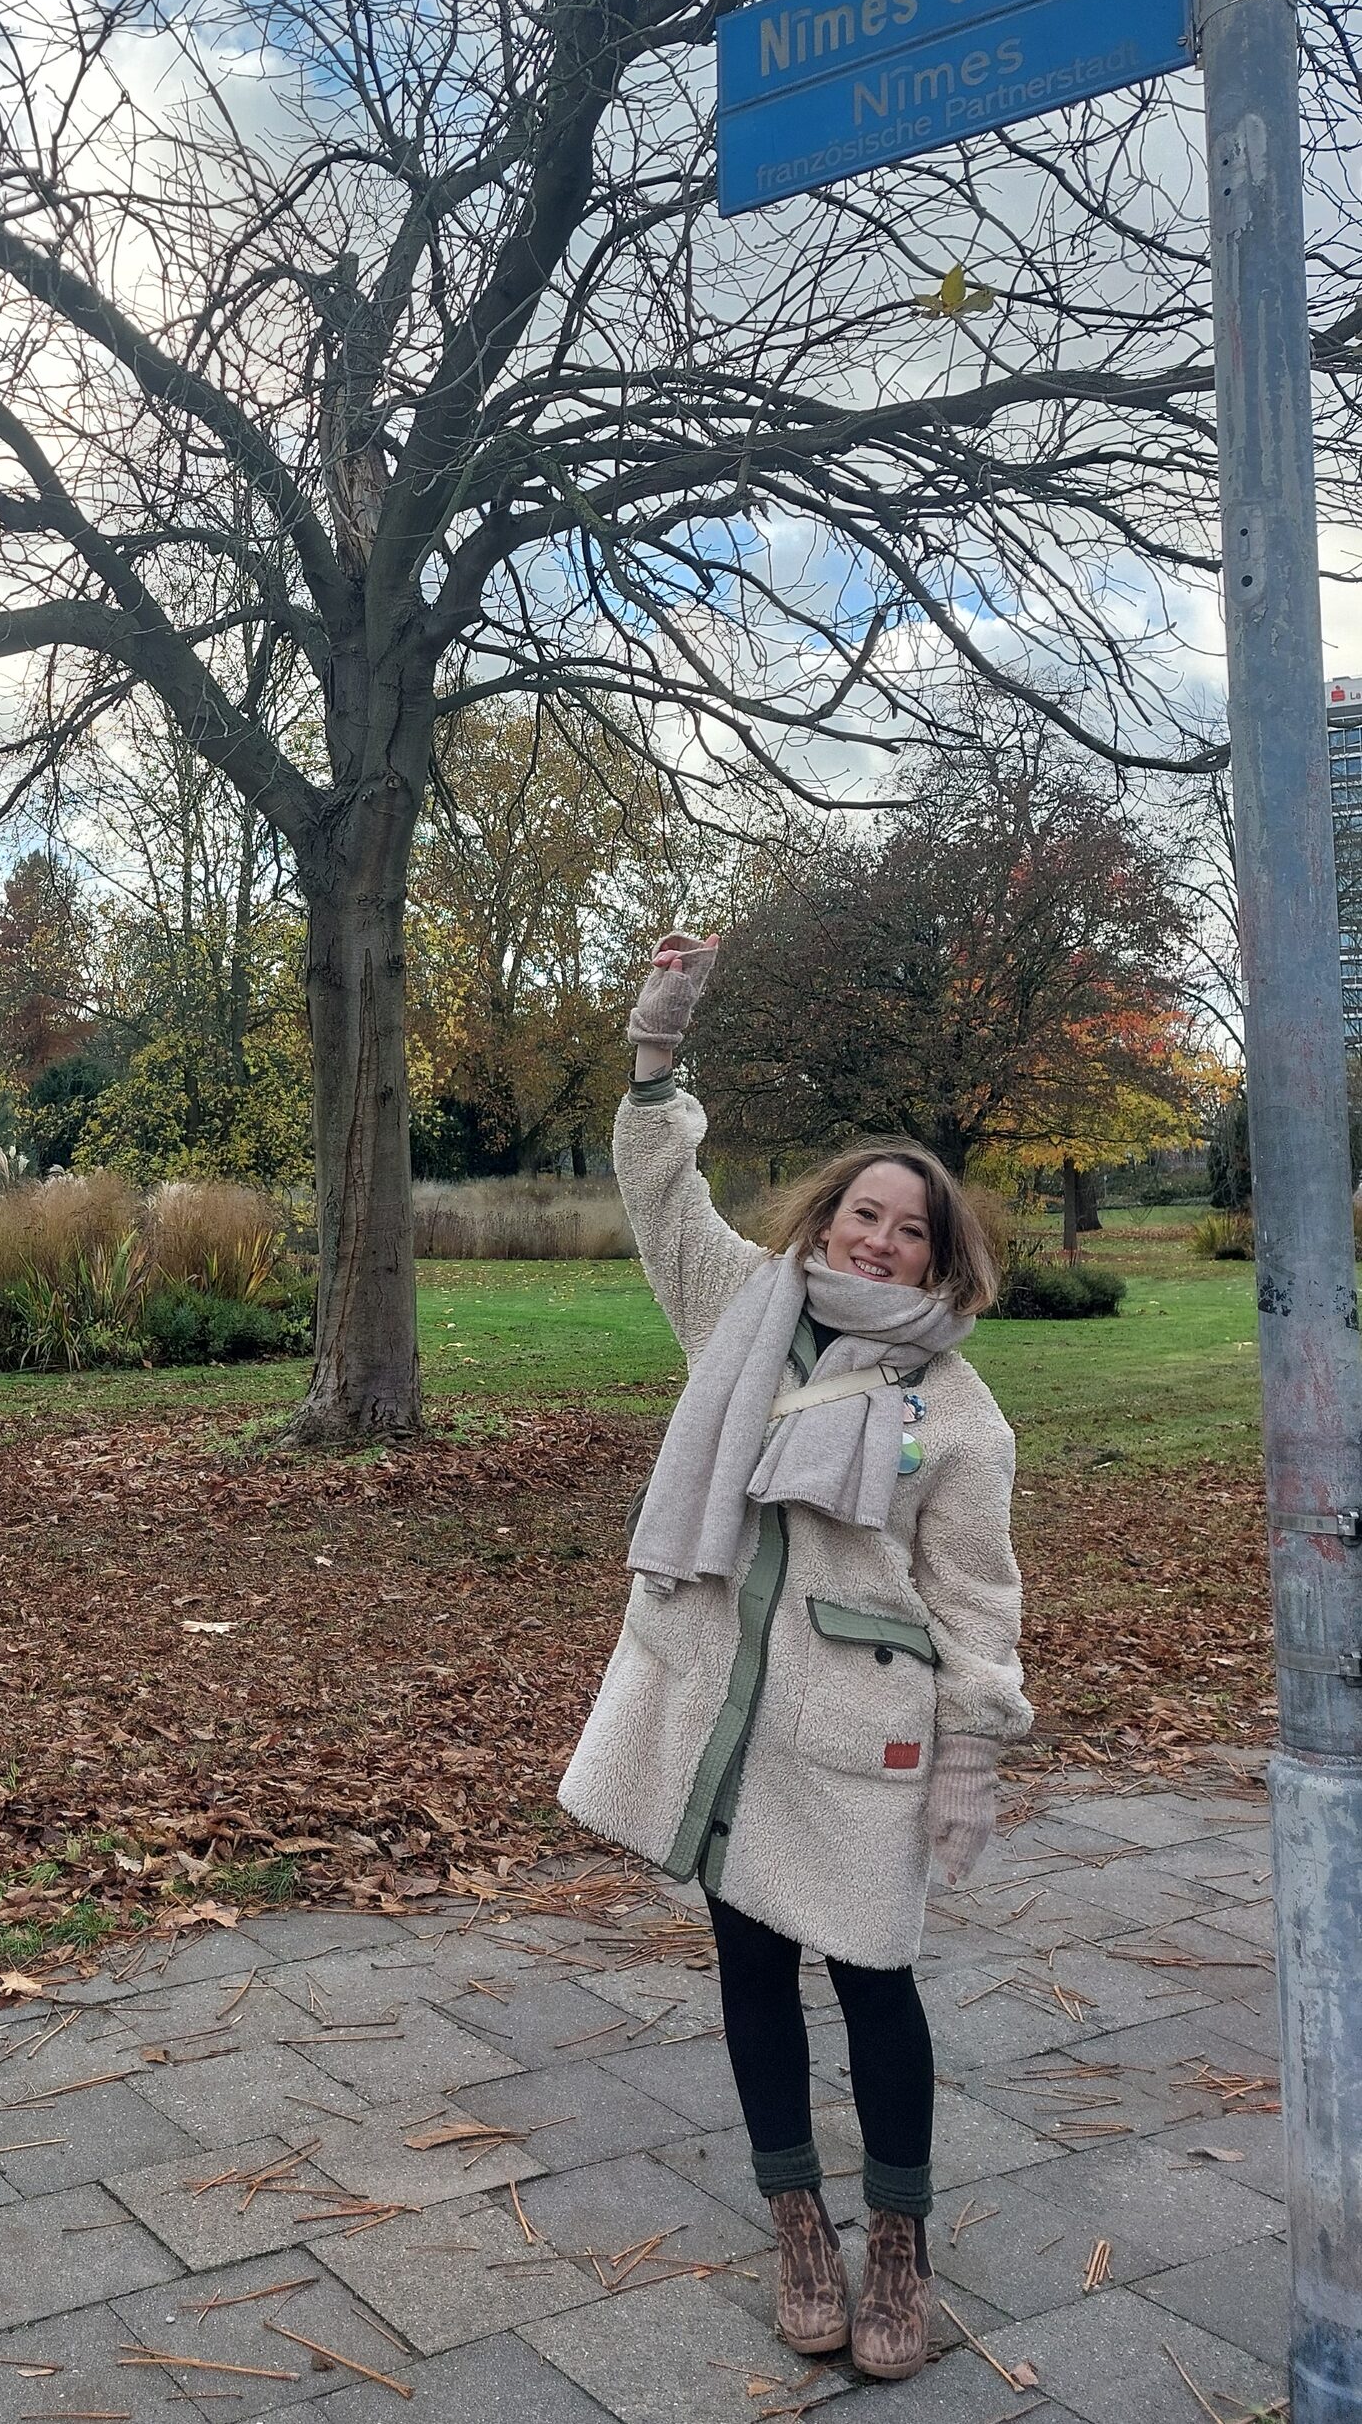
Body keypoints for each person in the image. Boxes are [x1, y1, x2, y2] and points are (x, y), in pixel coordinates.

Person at [559, 931, 1029, 2382]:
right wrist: (659, 1041)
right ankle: (796, 2220)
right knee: (749, 1965)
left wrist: (968, 1761)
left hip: (855, 1733)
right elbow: (658, 1188)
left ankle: (898, 2238)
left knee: (875, 1974)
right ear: (826, 1220)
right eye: (865, 1216)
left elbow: (979, 1608)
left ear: (941, 1262)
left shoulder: (959, 1412)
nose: (879, 1242)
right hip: (726, 1713)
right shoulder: (740, 1308)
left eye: (911, 1231)